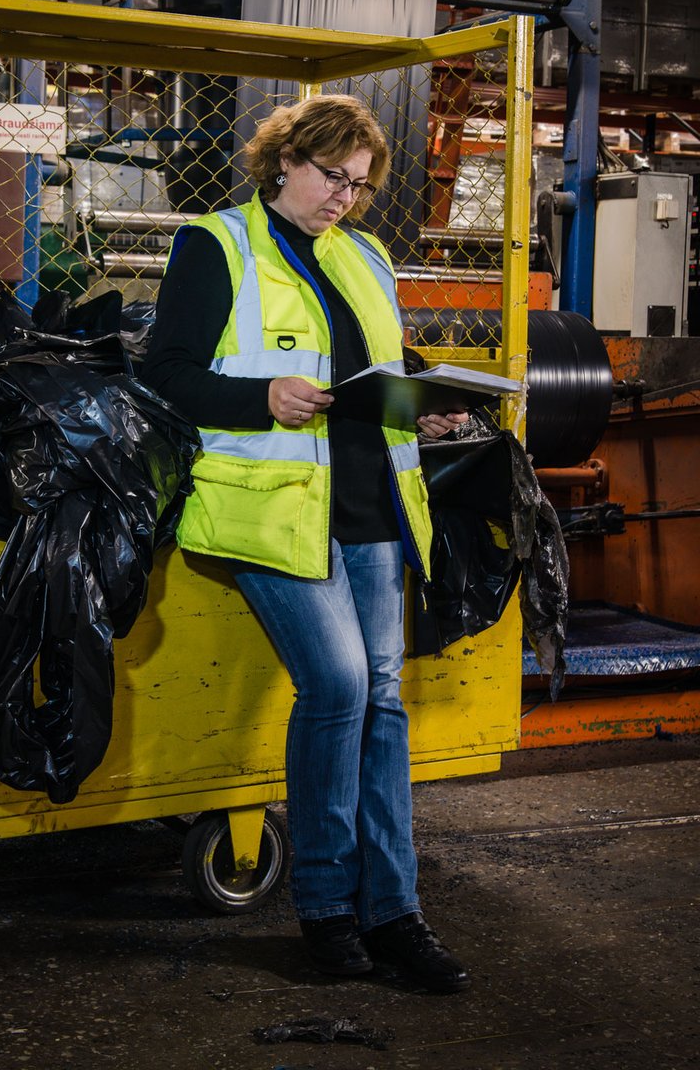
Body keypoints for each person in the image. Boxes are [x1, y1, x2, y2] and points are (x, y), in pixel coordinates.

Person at [141, 93, 470, 993]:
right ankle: (326, 911)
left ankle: (394, 913)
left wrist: (426, 412)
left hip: (367, 509)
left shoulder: (362, 255)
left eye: (359, 187)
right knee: (340, 686)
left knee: (385, 705)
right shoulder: (218, 245)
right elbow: (164, 374)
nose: (345, 199)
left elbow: (383, 375)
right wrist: (262, 399)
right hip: (272, 513)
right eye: (333, 177)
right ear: (284, 160)